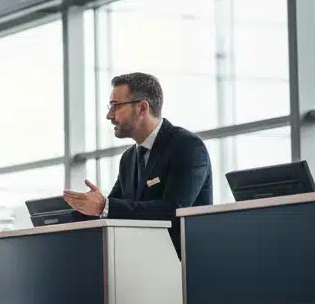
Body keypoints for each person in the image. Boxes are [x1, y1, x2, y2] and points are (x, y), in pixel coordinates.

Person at [62, 72, 212, 254]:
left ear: (142, 108)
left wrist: (104, 206)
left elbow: (173, 209)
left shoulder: (187, 146)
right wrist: (71, 211)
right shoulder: (128, 158)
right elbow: (115, 206)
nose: (109, 115)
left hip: (184, 266)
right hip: (140, 263)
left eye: (115, 106)